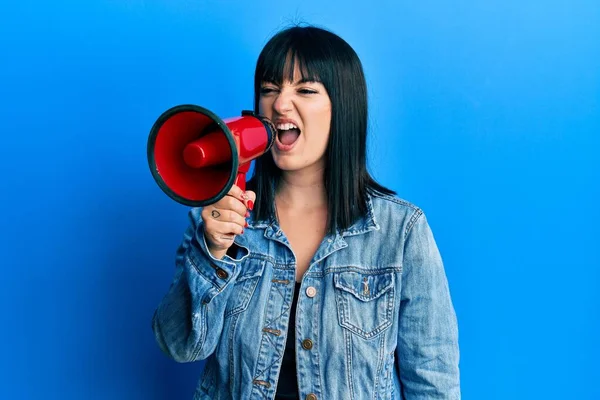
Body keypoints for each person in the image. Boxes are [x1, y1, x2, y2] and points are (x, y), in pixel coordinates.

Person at [152, 25, 460, 400]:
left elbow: (432, 379)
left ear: (343, 107)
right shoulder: (217, 221)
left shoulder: (400, 231)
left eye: (305, 90)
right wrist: (213, 252)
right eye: (269, 89)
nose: (280, 104)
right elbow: (180, 346)